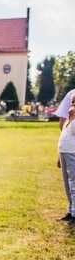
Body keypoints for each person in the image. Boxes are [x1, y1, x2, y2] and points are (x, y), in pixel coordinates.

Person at [55, 88, 75, 222]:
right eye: (72, 102)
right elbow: (64, 132)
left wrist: (73, 117)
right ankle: (70, 209)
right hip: (65, 152)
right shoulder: (69, 119)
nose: (72, 105)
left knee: (74, 183)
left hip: (73, 152)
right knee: (67, 184)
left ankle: (74, 213)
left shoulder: (73, 118)